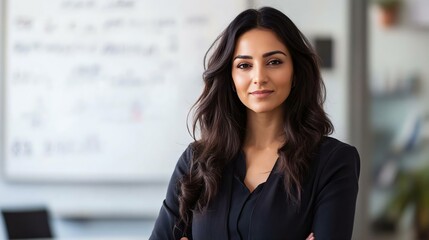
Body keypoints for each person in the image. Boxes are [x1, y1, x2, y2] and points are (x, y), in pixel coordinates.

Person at [150, 6, 360, 240]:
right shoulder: (196, 162)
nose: (259, 77)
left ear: (296, 72)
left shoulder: (333, 163)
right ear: (230, 77)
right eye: (244, 65)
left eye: (274, 62)